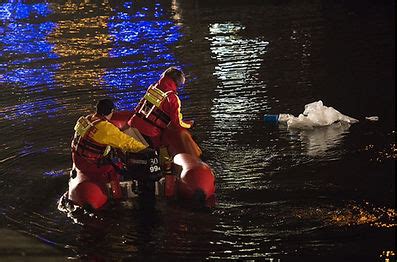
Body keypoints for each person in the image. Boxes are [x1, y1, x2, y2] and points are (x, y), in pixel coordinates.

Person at [68, 98, 148, 209]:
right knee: (113, 168)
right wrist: (144, 149)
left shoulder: (85, 119)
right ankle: (118, 198)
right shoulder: (105, 128)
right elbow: (126, 142)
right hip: (90, 164)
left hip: (77, 158)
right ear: (110, 111)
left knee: (111, 154)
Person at [128, 67, 197, 155]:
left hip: (133, 124)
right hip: (149, 134)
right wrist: (190, 124)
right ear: (178, 82)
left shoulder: (153, 88)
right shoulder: (172, 98)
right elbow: (177, 123)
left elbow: (139, 108)